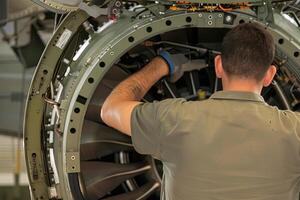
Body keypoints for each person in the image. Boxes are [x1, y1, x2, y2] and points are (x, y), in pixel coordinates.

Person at [101, 22, 300, 200]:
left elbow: (110, 109)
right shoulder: (296, 130)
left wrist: (160, 65)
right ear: (270, 75)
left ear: (219, 65)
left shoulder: (173, 118)